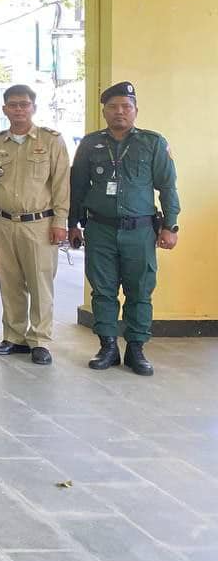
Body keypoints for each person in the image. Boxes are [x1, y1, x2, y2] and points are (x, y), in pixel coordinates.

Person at [70, 82, 180, 376]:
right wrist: (72, 224)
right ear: (104, 111)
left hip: (140, 231)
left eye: (126, 106)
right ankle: (107, 347)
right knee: (103, 290)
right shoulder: (90, 144)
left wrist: (170, 225)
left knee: (140, 290)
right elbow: (77, 188)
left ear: (135, 110)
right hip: (100, 229)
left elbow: (167, 187)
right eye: (113, 107)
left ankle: (136, 349)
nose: (119, 111)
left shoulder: (152, 143)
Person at [0, 84, 71, 366]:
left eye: (24, 104)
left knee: (40, 283)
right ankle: (14, 336)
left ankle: (40, 340)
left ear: (33, 108)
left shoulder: (51, 141)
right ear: (4, 109)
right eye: (13, 105)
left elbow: (61, 185)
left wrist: (60, 221)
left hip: (39, 223)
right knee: (10, 282)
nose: (19, 109)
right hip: (2, 222)